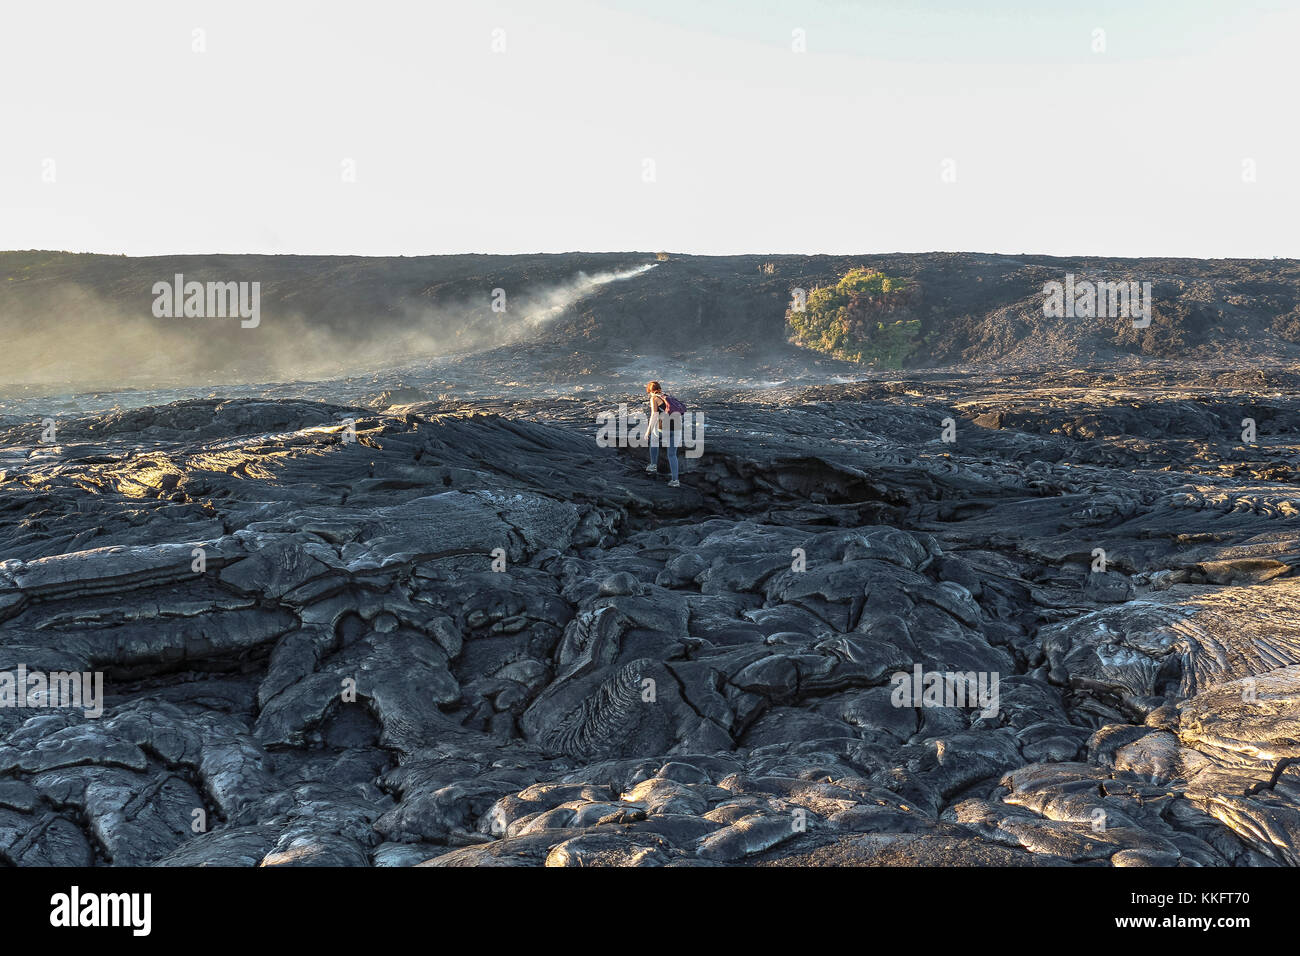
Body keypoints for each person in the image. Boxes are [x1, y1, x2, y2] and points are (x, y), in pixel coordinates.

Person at [643, 380, 680, 487]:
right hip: (677, 428)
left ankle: (653, 465)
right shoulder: (669, 396)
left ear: (650, 391)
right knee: (672, 455)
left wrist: (647, 432)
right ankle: (675, 481)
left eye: (648, 392)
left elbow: (654, 417)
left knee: (654, 439)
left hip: (663, 428)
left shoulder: (654, 398)